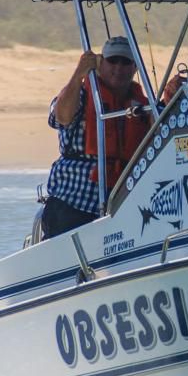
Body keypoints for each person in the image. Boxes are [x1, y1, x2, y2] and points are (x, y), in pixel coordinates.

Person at [41, 36, 152, 238]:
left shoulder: (142, 106)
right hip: (72, 204)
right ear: (101, 63)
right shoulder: (81, 94)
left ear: (135, 67)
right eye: (113, 61)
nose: (118, 68)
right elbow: (60, 117)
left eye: (125, 62)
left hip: (119, 208)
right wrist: (79, 74)